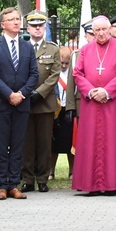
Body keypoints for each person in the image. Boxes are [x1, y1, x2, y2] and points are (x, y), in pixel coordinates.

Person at [70, 16, 116, 195]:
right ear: (92, 32)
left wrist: (106, 91)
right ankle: (91, 184)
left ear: (110, 29)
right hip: (91, 102)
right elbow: (78, 74)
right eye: (96, 30)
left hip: (113, 102)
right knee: (91, 140)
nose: (101, 33)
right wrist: (91, 91)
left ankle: (112, 184)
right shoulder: (85, 50)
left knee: (113, 140)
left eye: (104, 29)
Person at [0, 7, 39, 200]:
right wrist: (9, 94)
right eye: (11, 19)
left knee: (18, 145)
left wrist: (21, 94)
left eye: (18, 19)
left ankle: (14, 184)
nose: (16, 22)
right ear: (3, 24)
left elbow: (34, 74)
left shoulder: (27, 47)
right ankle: (1, 185)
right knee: (1, 146)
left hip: (22, 103)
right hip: (0, 103)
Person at [21, 11, 61, 193]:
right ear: (28, 28)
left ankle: (43, 179)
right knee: (26, 143)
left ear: (45, 28)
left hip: (44, 102)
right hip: (24, 100)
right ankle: (27, 179)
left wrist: (39, 93)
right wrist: (25, 93)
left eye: (41, 26)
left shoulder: (53, 49)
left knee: (44, 143)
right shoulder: (21, 46)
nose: (37, 29)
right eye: (34, 26)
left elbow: (54, 75)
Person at [51, 47, 74, 180]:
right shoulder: (53, 72)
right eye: (61, 63)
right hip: (55, 110)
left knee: (70, 143)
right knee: (53, 144)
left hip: (68, 110)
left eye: (66, 63)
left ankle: (72, 171)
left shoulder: (72, 73)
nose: (64, 66)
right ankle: (50, 171)